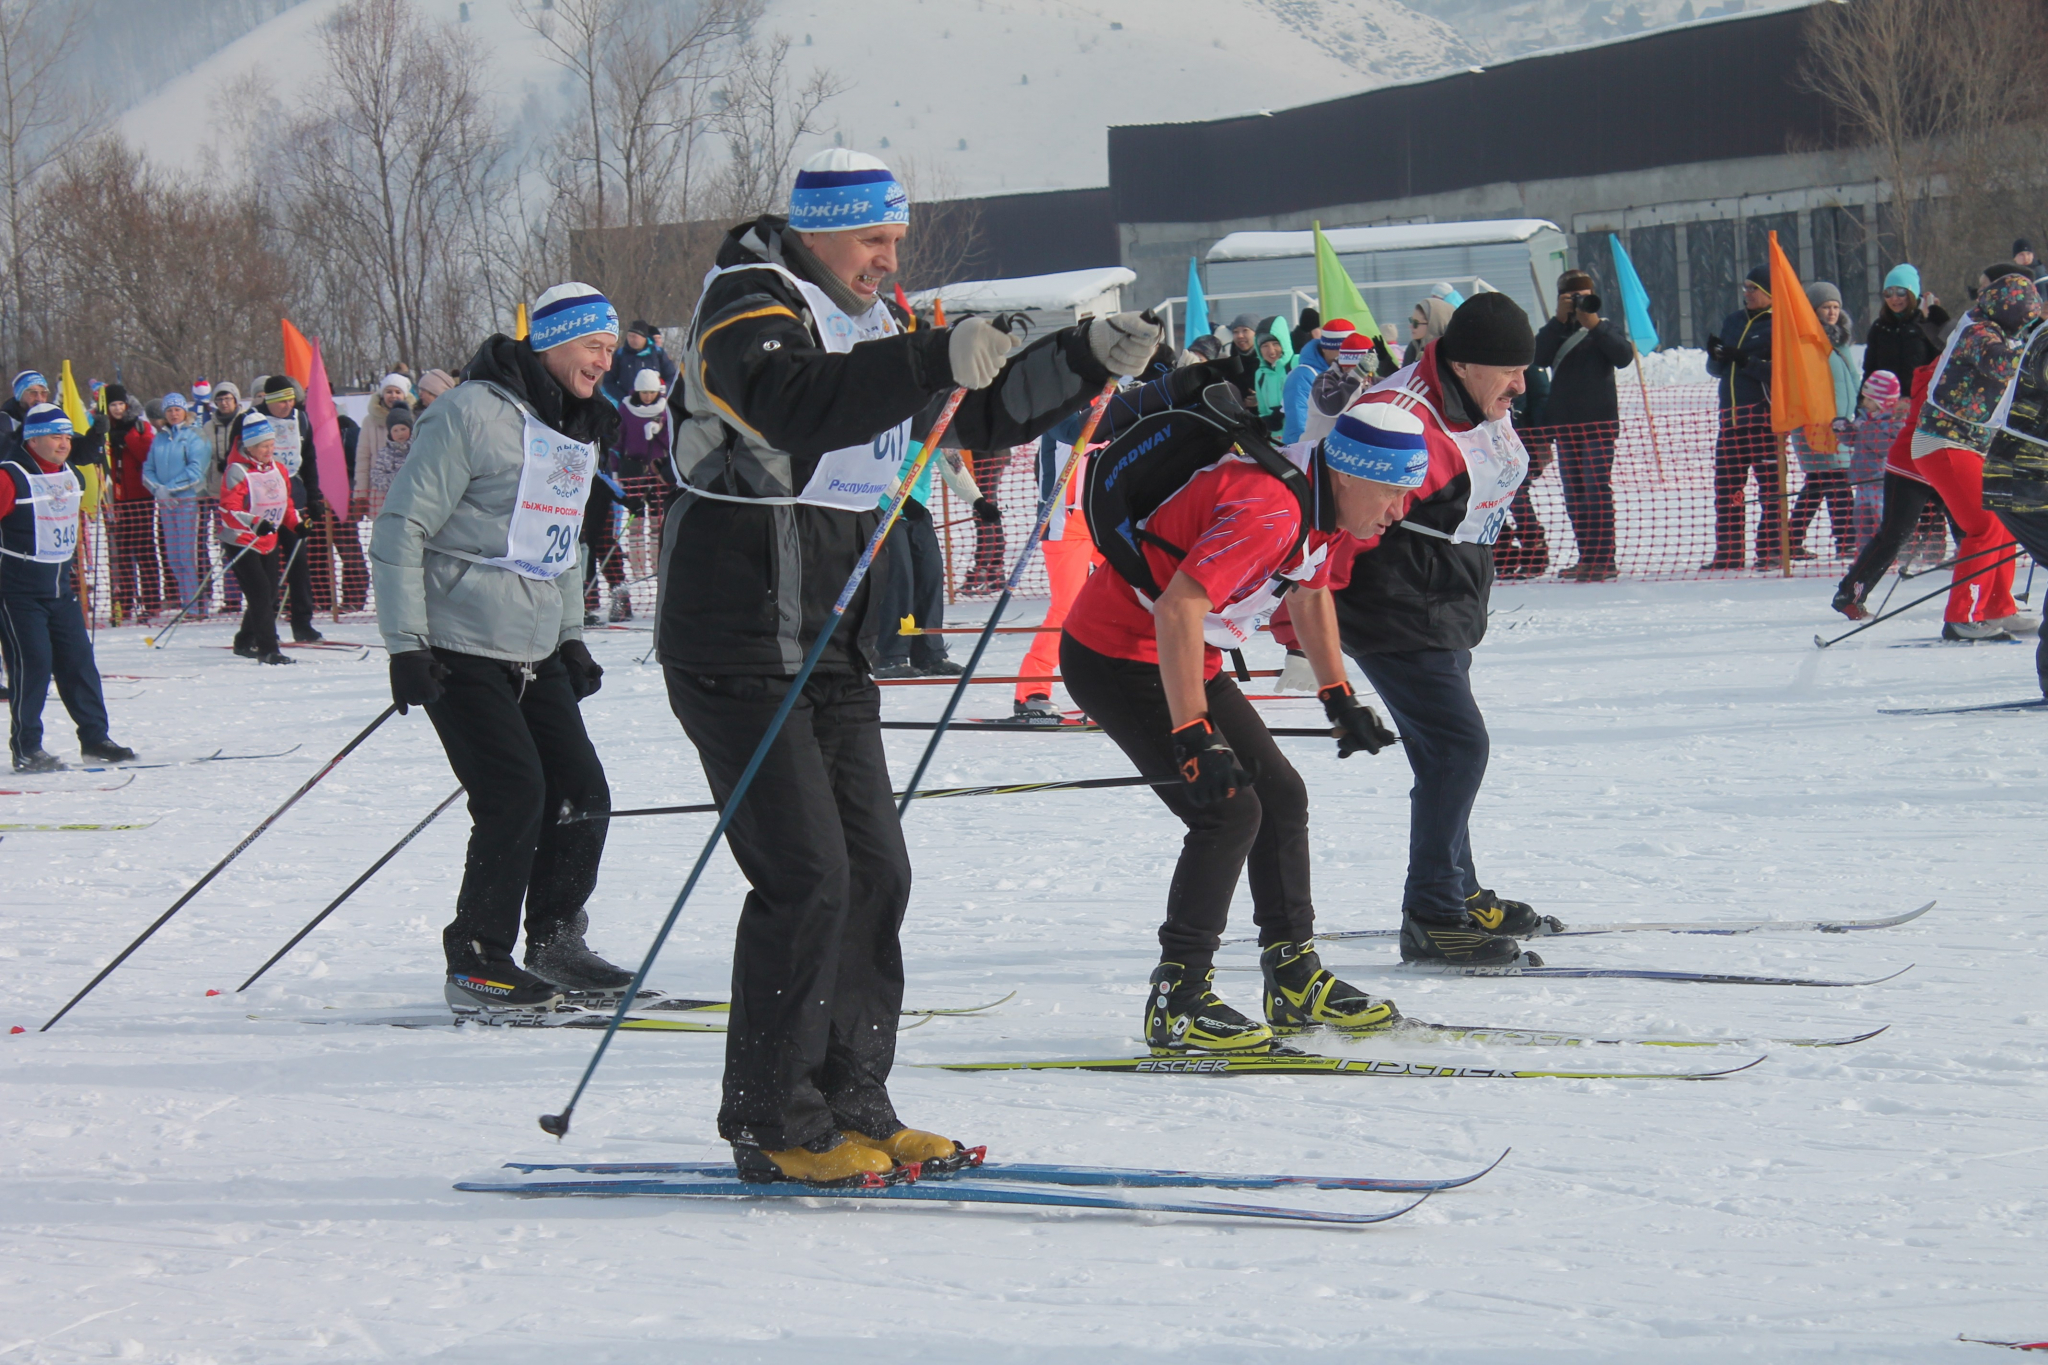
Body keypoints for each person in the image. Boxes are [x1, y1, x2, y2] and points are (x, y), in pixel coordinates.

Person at [658, 147, 1151, 1186]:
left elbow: (963, 413)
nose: (888, 261)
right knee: (805, 876)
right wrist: (931, 358)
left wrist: (1084, 362)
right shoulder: (750, 298)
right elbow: (788, 400)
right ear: (820, 232)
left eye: (894, 240)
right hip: (737, 633)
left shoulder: (871, 319)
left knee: (876, 870)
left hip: (829, 635)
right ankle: (773, 1119)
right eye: (872, 240)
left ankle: (850, 1100)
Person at [1060, 383, 1406, 1052]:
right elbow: (1177, 608)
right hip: (1119, 653)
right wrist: (1193, 736)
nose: (1397, 510)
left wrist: (1339, 695)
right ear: (1352, 473)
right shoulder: (1273, 508)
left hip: (1186, 654)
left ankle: (1293, 974)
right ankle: (1179, 999)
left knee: (1280, 795)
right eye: (1393, 491)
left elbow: (1310, 592)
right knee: (1227, 810)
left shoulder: (1317, 499)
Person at [371, 281, 632, 1012]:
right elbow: (400, 529)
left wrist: (573, 638)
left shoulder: (577, 423)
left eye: (610, 350)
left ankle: (555, 941)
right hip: (457, 638)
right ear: (551, 342)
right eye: (593, 347)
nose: (603, 363)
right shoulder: (466, 414)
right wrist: (406, 645)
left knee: (583, 791)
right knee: (515, 792)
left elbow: (564, 537)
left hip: (535, 639)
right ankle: (478, 958)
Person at [1330, 292, 1560, 965]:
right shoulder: (1405, 419)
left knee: (1442, 755)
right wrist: (1307, 643)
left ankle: (1457, 889)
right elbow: (1342, 525)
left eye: (1526, 369)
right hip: (1393, 605)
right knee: (1459, 748)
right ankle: (1432, 912)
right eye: (1509, 371)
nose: (1522, 384)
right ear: (1461, 365)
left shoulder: (1475, 399)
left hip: (1446, 596)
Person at [1, 404, 134, 771]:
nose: (64, 443)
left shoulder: (70, 474)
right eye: (56, 436)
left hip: (60, 588)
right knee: (34, 665)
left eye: (66, 436)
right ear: (33, 438)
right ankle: (27, 747)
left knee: (79, 663)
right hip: (19, 591)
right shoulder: (10, 475)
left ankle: (95, 738)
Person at [1907, 269, 2039, 640]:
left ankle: (2000, 606)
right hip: (1943, 442)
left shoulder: (1996, 330)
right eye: (2027, 315)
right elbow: (2000, 363)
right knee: (1982, 525)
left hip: (1971, 442)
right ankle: (1962, 615)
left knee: (2005, 521)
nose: (2029, 321)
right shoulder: (1979, 333)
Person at [1532, 271, 1634, 580]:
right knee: (1574, 493)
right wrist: (1557, 322)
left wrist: (1595, 325)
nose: (1580, 303)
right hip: (1565, 426)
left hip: (1599, 424)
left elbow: (1623, 356)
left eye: (1585, 296)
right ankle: (1587, 556)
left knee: (1595, 490)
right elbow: (1536, 357)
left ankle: (1604, 558)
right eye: (1573, 297)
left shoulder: (1604, 329)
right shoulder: (1556, 331)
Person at [872, 437, 990, 678]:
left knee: (930, 577)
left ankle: (929, 654)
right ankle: (889, 657)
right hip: (885, 506)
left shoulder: (940, 419)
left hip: (915, 509)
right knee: (899, 579)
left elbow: (951, 463)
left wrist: (977, 501)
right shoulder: (898, 420)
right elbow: (876, 466)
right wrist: (903, 500)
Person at [1703, 265, 1781, 569]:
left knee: (1771, 490)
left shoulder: (1779, 324)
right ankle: (1729, 552)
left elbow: (1780, 374)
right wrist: (1716, 355)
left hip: (1763, 419)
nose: (1746, 293)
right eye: (1745, 287)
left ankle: (1771, 550)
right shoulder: (1733, 321)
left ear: (1770, 294)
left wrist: (1746, 360)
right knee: (1727, 488)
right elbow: (1716, 370)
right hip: (1731, 419)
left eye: (1754, 288)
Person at [1833, 367, 1925, 619]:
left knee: (1881, 526)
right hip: (1862, 482)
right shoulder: (1867, 420)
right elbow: (1857, 441)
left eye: (1869, 398)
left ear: (1882, 400)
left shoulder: (1889, 421)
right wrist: (1845, 431)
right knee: (1862, 525)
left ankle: (1879, 563)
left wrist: (1865, 429)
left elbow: (1885, 444)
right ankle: (1861, 563)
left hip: (1880, 483)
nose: (1864, 403)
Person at [215, 411, 298, 664]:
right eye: (264, 446)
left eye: (271, 444)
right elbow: (228, 509)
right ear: (250, 447)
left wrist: (297, 524)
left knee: (269, 593)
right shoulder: (236, 471)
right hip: (241, 541)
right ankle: (268, 648)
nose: (269, 450)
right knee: (260, 592)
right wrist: (254, 522)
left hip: (267, 540)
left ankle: (243, 640)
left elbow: (286, 503)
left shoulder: (279, 469)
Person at [1787, 282, 1860, 560]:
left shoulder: (1839, 339)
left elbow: (1850, 378)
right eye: (1825, 307)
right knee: (1836, 479)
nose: (1831, 312)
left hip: (1841, 423)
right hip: (1816, 423)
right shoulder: (1806, 340)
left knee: (1819, 481)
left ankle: (1792, 539)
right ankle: (1847, 541)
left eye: (1835, 307)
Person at [101, 384, 164, 622]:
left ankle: (151, 600)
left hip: (140, 496)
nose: (117, 409)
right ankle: (124, 601)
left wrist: (127, 439)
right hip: (116, 497)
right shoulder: (104, 427)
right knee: (121, 551)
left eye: (120, 405)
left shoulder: (139, 426)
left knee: (145, 548)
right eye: (113, 405)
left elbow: (147, 454)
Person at [143, 393, 209, 617]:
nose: (173, 414)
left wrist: (171, 487)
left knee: (187, 554)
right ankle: (186, 600)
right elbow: (148, 468)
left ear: (184, 412)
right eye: (169, 410)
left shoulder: (193, 435)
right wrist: (158, 489)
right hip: (166, 503)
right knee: (173, 556)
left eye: (177, 410)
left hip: (187, 500)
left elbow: (196, 470)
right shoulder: (159, 438)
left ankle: (197, 604)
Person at [1863, 265, 1948, 393]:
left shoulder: (1925, 324)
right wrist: (1862, 404)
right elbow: (1870, 370)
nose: (1894, 298)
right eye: (1888, 293)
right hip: (1885, 403)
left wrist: (1935, 321)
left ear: (1912, 294)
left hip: (1919, 401)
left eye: (1901, 292)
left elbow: (1941, 363)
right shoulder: (1879, 327)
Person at [1280, 317, 1354, 444]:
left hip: (1341, 449)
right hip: (1312, 453)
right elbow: (1298, 422)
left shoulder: (1351, 372)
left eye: (1349, 349)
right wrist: (1306, 455)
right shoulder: (1303, 375)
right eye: (1339, 349)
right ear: (1325, 348)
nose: (1344, 354)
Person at [603, 319, 678, 407]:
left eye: (634, 336)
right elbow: (608, 381)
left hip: (656, 407)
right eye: (629, 336)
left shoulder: (658, 354)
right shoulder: (620, 355)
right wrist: (623, 398)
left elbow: (672, 376)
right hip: (628, 408)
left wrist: (663, 391)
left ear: (644, 337)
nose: (631, 339)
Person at [368, 409, 413, 519]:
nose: (400, 433)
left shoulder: (418, 449)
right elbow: (377, 477)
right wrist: (398, 477)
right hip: (394, 503)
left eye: (403, 429)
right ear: (390, 433)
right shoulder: (385, 453)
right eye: (395, 430)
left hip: (417, 501)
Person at [1251, 318, 1292, 433]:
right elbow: (1263, 410)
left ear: (1284, 343)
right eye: (1265, 346)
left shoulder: (1296, 364)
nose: (1271, 351)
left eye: (1275, 344)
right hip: (1276, 438)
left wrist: (1282, 413)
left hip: (1300, 433)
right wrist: (1266, 421)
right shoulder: (1260, 374)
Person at [1405, 297, 1453, 365]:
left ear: (1433, 324)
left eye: (1415, 323)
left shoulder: (1452, 353)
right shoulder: (1413, 348)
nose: (1410, 326)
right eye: (1411, 321)